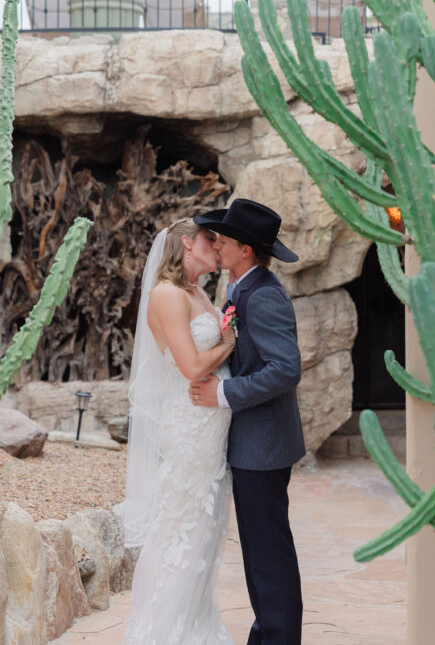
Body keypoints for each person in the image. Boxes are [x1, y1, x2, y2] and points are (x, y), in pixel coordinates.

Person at [189, 198, 306, 645]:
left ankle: (279, 637)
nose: (215, 244)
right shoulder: (239, 289)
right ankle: (267, 632)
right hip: (252, 443)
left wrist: (224, 393)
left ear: (246, 250)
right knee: (260, 552)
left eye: (223, 240)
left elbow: (285, 368)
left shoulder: (265, 296)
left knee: (269, 552)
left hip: (265, 446)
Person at [123, 218, 237, 644]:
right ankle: (163, 632)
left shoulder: (196, 292)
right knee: (181, 527)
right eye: (211, 239)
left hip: (210, 430)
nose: (217, 244)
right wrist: (229, 342)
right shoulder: (168, 295)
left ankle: (194, 623)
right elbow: (189, 367)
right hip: (191, 427)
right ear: (187, 244)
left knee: (204, 528)